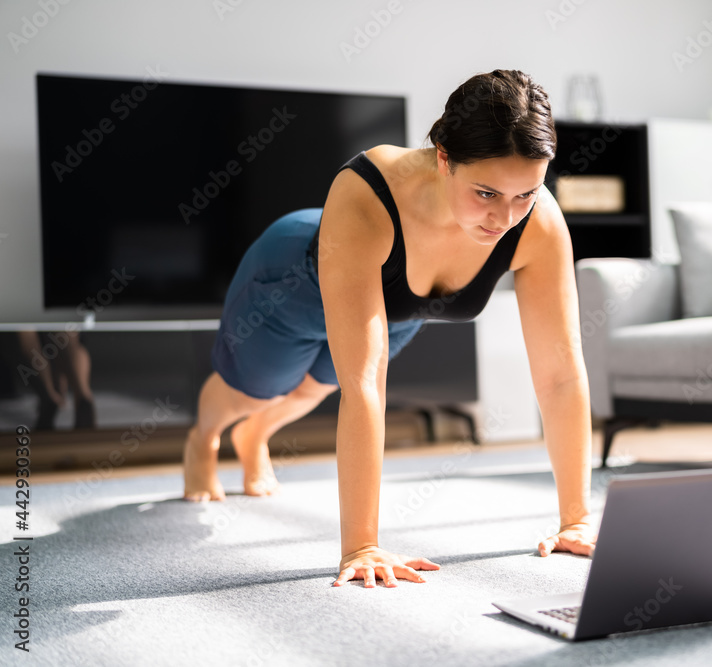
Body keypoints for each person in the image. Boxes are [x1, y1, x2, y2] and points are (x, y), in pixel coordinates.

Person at [182, 69, 596, 588]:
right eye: (486, 192)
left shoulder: (538, 224)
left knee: (316, 386)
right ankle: (206, 438)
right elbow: (366, 386)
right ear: (445, 157)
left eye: (525, 194)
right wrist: (362, 546)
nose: (504, 218)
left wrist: (576, 519)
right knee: (257, 387)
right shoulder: (368, 190)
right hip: (293, 279)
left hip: (401, 305)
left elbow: (560, 375)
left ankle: (255, 439)